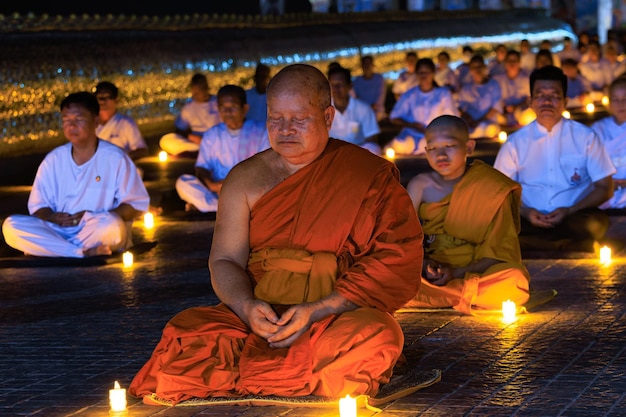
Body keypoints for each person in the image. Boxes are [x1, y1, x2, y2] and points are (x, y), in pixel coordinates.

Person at [128, 64, 423, 405]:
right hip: (261, 316)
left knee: (378, 336)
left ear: (328, 117)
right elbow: (224, 260)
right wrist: (247, 306)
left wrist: (319, 309)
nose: (285, 129)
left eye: (299, 119)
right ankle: (308, 377)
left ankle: (257, 374)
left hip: (334, 316)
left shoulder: (365, 174)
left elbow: (397, 256)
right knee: (184, 333)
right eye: (275, 118)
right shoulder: (245, 178)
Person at [403, 115, 530, 314]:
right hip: (429, 272)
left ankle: (438, 297)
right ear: (426, 151)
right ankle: (455, 296)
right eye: (433, 148)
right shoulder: (420, 185)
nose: (441, 155)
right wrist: (423, 263)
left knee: (514, 281)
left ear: (469, 147)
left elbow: (499, 250)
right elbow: (403, 237)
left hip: (474, 271)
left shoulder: (491, 187)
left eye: (449, 146)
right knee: (389, 274)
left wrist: (456, 273)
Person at [2, 92, 150, 258]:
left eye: (78, 119)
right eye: (66, 120)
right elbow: (38, 206)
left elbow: (135, 204)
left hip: (95, 230)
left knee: (111, 225)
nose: (71, 125)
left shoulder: (115, 158)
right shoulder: (53, 159)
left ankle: (56, 250)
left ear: (95, 121)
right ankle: (81, 252)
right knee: (11, 225)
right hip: (59, 230)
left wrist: (94, 217)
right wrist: (51, 216)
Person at [494, 65, 616, 252]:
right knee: (503, 226)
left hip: (573, 216)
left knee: (594, 223)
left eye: (554, 96)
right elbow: (498, 190)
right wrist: (526, 212)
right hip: (528, 218)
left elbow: (605, 188)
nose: (547, 102)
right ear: (531, 101)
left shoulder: (586, 137)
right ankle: (567, 244)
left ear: (565, 101)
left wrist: (569, 210)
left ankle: (537, 244)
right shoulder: (514, 143)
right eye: (541, 95)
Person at [175, 84, 270, 213]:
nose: (228, 113)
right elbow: (202, 167)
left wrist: (233, 186)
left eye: (233, 107)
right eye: (223, 108)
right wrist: (212, 185)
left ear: (245, 109)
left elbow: (265, 168)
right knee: (183, 182)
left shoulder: (261, 131)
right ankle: (227, 209)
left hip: (248, 190)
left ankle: (214, 209)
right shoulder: (212, 135)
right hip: (218, 192)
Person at [385, 57, 458, 155]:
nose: (423, 76)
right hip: (411, 134)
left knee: (432, 146)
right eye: (420, 73)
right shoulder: (409, 94)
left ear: (433, 73)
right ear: (416, 74)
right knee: (400, 144)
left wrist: (434, 129)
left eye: (426, 72)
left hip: (436, 135)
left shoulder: (443, 94)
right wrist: (412, 125)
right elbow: (394, 117)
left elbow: (452, 118)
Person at [159, 73, 221, 157]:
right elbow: (179, 130)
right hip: (196, 144)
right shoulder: (188, 107)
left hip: (216, 141)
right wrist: (192, 137)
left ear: (206, 89)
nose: (194, 96)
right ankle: (200, 151)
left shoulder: (218, 102)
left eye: (197, 93)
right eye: (193, 93)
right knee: (166, 140)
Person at [327, 65, 382, 154]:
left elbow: (372, 140)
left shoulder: (364, 109)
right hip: (332, 156)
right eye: (332, 85)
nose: (336, 89)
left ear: (349, 86)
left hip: (357, 156)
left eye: (340, 84)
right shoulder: (323, 111)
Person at [591, 77, 626, 209]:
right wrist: (607, 183)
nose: (620, 104)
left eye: (625, 99)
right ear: (609, 103)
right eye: (615, 99)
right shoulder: (598, 129)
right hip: (606, 189)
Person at [94, 81, 148, 162]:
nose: (102, 102)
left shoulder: (126, 123)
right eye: (99, 98)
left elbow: (142, 150)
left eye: (107, 97)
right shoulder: (90, 123)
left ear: (116, 100)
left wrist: (121, 157)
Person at [457, 54, 503, 139]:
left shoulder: (494, 84)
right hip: (470, 125)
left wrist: (478, 121)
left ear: (484, 67)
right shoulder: (465, 88)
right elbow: (460, 108)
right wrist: (469, 120)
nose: (477, 70)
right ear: (470, 70)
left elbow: (496, 108)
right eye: (474, 67)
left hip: (487, 124)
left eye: (479, 66)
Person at [493, 49, 531, 128]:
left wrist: (517, 107)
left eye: (514, 61)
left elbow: (530, 99)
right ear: (505, 63)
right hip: (503, 113)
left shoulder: (526, 79)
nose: (512, 63)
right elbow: (494, 99)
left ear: (519, 63)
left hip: (522, 113)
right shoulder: (498, 80)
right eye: (509, 60)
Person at [352, 55, 388, 121]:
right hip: (361, 112)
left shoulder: (379, 79)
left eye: (369, 63)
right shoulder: (357, 81)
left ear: (372, 65)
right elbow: (355, 97)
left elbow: (381, 95)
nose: (367, 66)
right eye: (365, 64)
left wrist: (374, 106)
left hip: (377, 111)